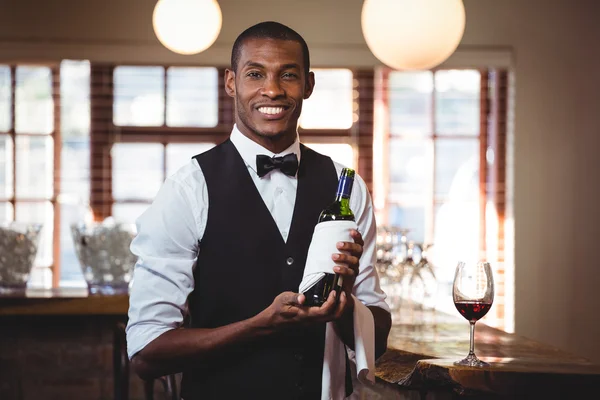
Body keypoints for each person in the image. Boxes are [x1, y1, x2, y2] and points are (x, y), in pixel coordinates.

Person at [126, 21, 392, 400]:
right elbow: (147, 352)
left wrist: (344, 304)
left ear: (309, 85)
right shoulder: (187, 189)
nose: (272, 89)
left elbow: (377, 339)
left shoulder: (346, 188)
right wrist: (259, 326)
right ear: (231, 83)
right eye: (256, 74)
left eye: (288, 75)